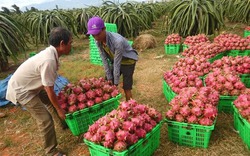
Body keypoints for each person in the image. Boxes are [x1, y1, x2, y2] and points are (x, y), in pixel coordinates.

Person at [6, 27, 72, 156]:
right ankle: (51, 151)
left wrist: (57, 105)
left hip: (33, 85)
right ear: (62, 44)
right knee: (45, 119)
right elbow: (49, 88)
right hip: (22, 91)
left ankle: (63, 124)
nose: (71, 45)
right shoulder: (49, 60)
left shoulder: (51, 53)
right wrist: (59, 109)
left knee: (52, 101)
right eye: (70, 43)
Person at [87, 16, 138, 101]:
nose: (96, 37)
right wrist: (109, 78)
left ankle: (130, 106)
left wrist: (115, 83)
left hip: (128, 61)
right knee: (107, 82)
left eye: (98, 33)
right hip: (116, 60)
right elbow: (104, 60)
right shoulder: (98, 41)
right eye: (93, 35)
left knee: (126, 86)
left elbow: (117, 64)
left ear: (104, 29)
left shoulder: (117, 41)